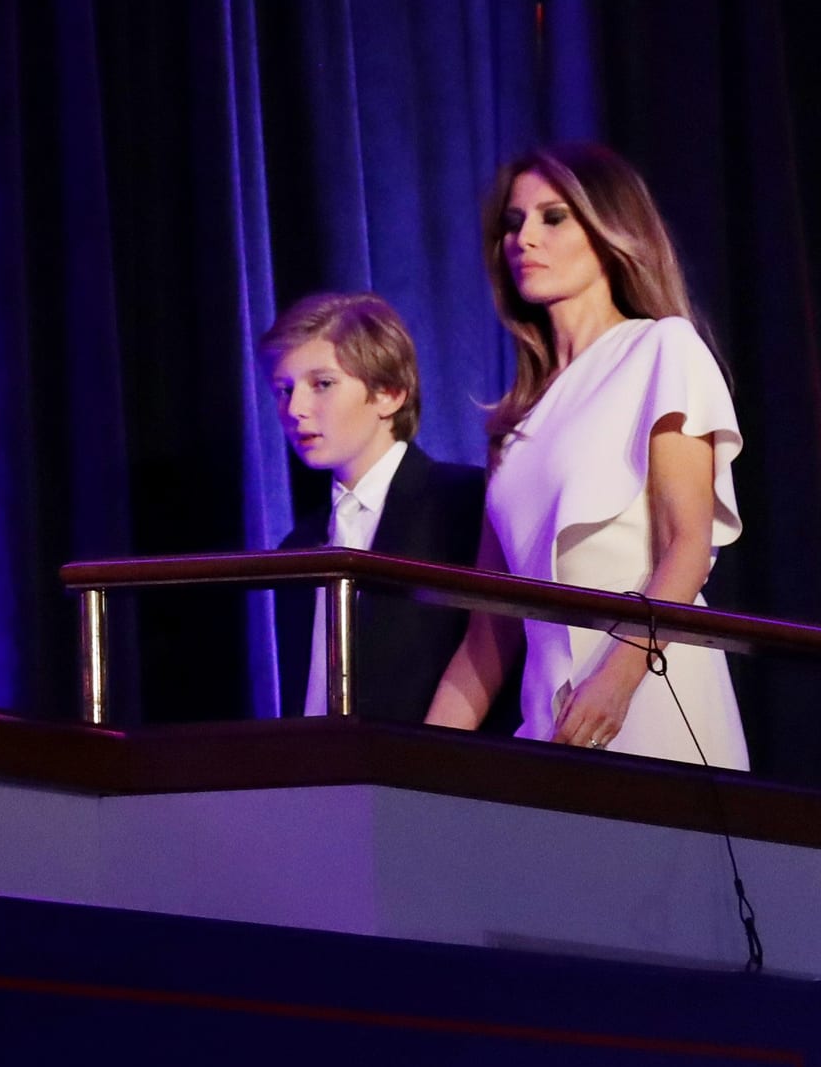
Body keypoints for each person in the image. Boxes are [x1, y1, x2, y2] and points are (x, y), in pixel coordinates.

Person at [422, 143, 747, 766]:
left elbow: (688, 546)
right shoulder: (517, 424)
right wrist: (415, 768)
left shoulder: (660, 350)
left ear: (609, 230)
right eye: (513, 224)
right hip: (551, 719)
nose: (524, 239)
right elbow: (489, 635)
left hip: (656, 686)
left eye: (553, 217)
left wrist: (617, 683)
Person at [261, 292, 506, 725]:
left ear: (389, 393)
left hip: (435, 775)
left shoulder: (461, 503)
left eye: (322, 384)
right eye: (284, 389)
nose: (295, 409)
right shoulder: (296, 546)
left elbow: (494, 649)